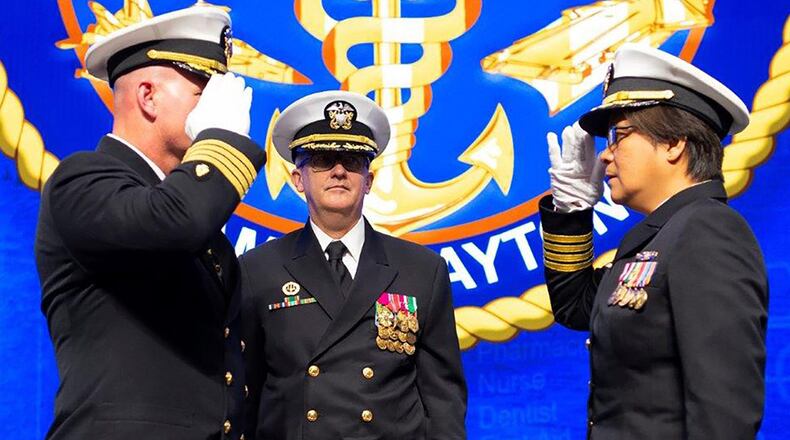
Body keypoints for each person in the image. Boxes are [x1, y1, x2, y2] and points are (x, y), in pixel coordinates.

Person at [35, 6, 264, 440]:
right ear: (148, 96)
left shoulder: (200, 220)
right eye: (203, 89)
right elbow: (176, 222)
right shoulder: (81, 181)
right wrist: (222, 140)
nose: (217, 104)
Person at [540, 43, 768, 439]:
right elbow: (575, 307)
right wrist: (572, 212)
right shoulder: (661, 235)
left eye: (619, 136)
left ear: (674, 143)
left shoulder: (709, 233)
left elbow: (723, 413)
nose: (606, 157)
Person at [239, 90, 467, 440]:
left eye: (352, 159)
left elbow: (443, 400)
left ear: (369, 180)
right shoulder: (258, 271)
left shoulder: (422, 270)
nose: (339, 171)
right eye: (322, 159)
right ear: (298, 179)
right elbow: (245, 394)